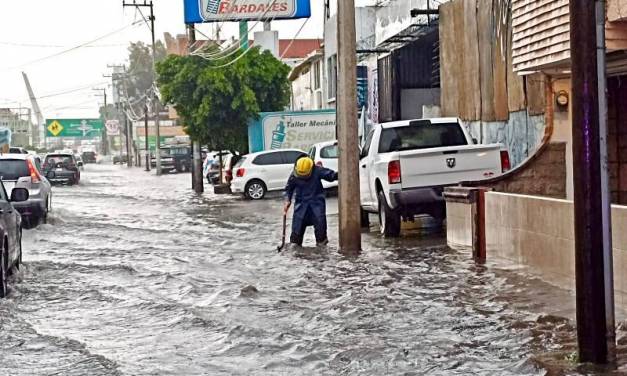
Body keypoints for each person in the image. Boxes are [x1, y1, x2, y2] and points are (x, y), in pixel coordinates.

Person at [283, 156, 338, 247]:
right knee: (295, 238)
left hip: (316, 206)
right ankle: (296, 254)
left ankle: (321, 251)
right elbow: (288, 189)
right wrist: (287, 200)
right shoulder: (294, 174)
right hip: (301, 208)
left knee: (321, 234)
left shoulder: (317, 170)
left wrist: (342, 173)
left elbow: (331, 176)